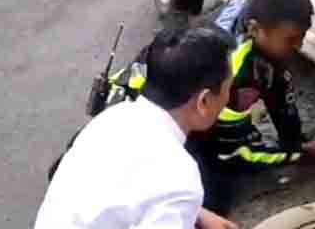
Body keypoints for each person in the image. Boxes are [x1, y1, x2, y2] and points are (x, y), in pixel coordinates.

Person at [109, 0, 315, 216]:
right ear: (254, 29)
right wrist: (304, 153)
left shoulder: (251, 10)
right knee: (213, 196)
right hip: (137, 123)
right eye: (291, 40)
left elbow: (277, 87)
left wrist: (296, 142)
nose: (298, 46)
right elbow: (239, 152)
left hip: (160, 97)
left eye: (301, 37)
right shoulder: (233, 68)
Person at [34, 25, 239, 229]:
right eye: (228, 88)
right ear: (204, 102)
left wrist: (197, 214)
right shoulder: (178, 177)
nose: (228, 97)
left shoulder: (113, 118)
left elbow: (121, 196)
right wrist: (185, 206)